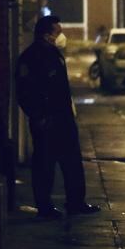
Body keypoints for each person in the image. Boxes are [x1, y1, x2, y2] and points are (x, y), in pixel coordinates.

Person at [15, 15, 100, 217]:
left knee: (71, 162)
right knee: (45, 164)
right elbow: (26, 90)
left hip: (63, 118)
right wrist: (39, 115)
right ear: (46, 35)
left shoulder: (53, 53)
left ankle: (76, 202)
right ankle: (45, 207)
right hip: (46, 120)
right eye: (57, 32)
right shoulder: (32, 57)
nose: (61, 36)